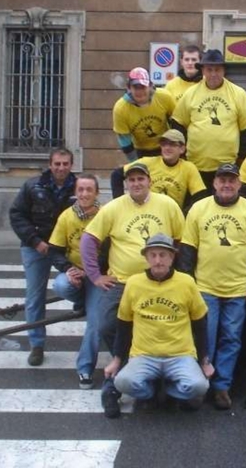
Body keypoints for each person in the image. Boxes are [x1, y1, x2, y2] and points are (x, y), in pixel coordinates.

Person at [80, 162, 184, 412]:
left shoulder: (167, 205)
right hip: (122, 282)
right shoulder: (114, 208)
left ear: (149, 181)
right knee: (105, 324)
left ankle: (154, 376)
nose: (136, 184)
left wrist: (176, 273)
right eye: (132, 180)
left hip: (157, 281)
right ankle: (126, 362)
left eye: (141, 179)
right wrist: (95, 276)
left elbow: (181, 240)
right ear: (126, 184)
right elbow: (89, 239)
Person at [177, 163, 246, 410]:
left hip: (238, 289)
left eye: (231, 180)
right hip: (205, 288)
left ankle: (222, 386)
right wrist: (188, 285)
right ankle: (201, 383)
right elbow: (187, 251)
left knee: (231, 338)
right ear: (214, 183)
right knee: (205, 338)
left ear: (239, 184)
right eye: (222, 180)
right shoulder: (198, 208)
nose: (227, 184)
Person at [102, 233, 214, 418]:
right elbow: (124, 324)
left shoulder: (186, 282)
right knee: (123, 382)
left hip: (180, 355)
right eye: (153, 255)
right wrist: (117, 359)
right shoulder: (134, 283)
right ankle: (151, 392)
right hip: (144, 354)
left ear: (172, 257)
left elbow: (200, 324)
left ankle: (170, 391)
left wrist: (204, 361)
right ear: (146, 258)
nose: (158, 260)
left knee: (199, 386)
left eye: (163, 255)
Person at [9, 148, 77, 366]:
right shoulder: (32, 185)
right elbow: (17, 214)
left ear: (71, 165)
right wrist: (35, 241)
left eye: (65, 164)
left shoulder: (80, 186)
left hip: (67, 248)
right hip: (36, 247)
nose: (61, 168)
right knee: (35, 297)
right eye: (57, 164)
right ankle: (36, 344)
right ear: (50, 164)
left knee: (78, 284)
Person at [171, 50, 246, 189]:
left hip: (228, 167)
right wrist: (184, 152)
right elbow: (178, 125)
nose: (213, 74)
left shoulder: (238, 93)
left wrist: (240, 156)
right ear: (203, 71)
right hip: (195, 165)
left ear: (224, 70)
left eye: (217, 69)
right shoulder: (190, 94)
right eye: (209, 69)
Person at [48, 174, 103, 388]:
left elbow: (112, 248)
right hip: (75, 272)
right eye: (81, 189)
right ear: (75, 192)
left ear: (96, 192)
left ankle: (85, 368)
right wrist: (69, 269)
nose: (85, 194)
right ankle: (82, 300)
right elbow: (55, 251)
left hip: (97, 274)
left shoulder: (106, 214)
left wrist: (94, 272)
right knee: (60, 284)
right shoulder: (66, 217)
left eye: (89, 189)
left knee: (95, 323)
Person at [110, 129, 208, 210]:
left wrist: (186, 214)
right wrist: (120, 205)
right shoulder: (148, 162)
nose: (167, 148)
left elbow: (200, 196)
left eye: (172, 144)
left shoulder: (188, 167)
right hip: (146, 212)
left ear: (182, 148)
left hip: (173, 215)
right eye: (164, 144)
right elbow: (116, 175)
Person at [112, 67, 176, 162]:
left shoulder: (164, 97)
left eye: (143, 87)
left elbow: (177, 123)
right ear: (129, 88)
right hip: (139, 149)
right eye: (135, 87)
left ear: (150, 85)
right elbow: (124, 140)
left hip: (165, 145)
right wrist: (135, 162)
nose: (139, 91)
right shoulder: (121, 108)